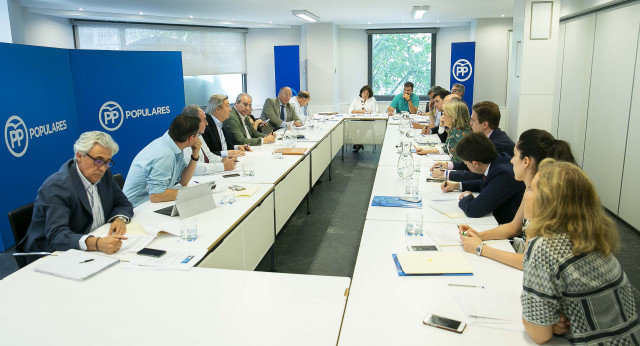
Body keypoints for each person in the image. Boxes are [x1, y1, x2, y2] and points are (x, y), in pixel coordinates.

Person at [520, 159, 639, 344]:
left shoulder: (546, 246)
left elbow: (538, 334)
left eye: (531, 189)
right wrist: (553, 318)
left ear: (548, 201)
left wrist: (546, 321)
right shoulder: (591, 236)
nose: (526, 196)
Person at [456, 129, 575, 269]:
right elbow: (514, 227)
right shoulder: (530, 188)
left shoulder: (540, 198)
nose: (511, 160)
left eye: (514, 155)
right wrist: (479, 235)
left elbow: (528, 261)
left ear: (526, 161)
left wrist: (481, 248)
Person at [19, 131, 133, 256]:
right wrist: (96, 243)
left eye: (107, 162)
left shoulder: (103, 175)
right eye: (98, 160)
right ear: (79, 156)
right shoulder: (57, 186)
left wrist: (119, 219)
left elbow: (123, 203)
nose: (102, 168)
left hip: (94, 244)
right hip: (53, 255)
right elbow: (57, 236)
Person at [441, 132, 525, 224]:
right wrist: (458, 186)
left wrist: (466, 197)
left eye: (466, 163)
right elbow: (486, 183)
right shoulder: (498, 160)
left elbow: (473, 210)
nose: (465, 164)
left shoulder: (503, 174)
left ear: (475, 164)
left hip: (506, 226)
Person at [123, 114, 201, 207]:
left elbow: (184, 180)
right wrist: (193, 194)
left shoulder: (175, 146)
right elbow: (156, 195)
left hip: (150, 204)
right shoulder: (165, 154)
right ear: (190, 138)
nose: (198, 138)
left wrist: (195, 155)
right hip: (136, 208)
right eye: (197, 134)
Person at [431, 101, 515, 181]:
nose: (470, 123)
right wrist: (448, 165)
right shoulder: (487, 138)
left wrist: (447, 175)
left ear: (485, 124)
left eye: (473, 120)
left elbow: (481, 175)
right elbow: (471, 162)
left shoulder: (497, 145)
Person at [181, 105, 237, 175]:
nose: (207, 123)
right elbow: (194, 168)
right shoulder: (184, 138)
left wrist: (222, 160)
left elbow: (208, 156)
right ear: (194, 122)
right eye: (204, 120)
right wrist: (223, 166)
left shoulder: (198, 134)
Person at [349, 85, 378, 152]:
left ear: (369, 94)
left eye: (367, 93)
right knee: (350, 124)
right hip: (357, 121)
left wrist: (370, 112)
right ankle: (358, 142)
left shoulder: (372, 99)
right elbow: (351, 111)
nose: (365, 95)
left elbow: (375, 111)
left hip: (368, 121)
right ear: (361, 93)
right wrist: (360, 111)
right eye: (364, 93)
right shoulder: (356, 99)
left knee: (364, 124)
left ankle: (358, 142)